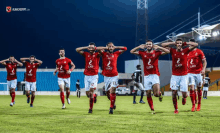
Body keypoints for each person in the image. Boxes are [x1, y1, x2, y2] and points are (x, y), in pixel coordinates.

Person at [131, 40, 169, 114]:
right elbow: (131, 51)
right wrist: (139, 47)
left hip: (155, 75)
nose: (148, 45)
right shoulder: (143, 53)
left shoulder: (156, 53)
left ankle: (160, 94)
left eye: (150, 44)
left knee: (156, 94)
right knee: (148, 93)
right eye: (147, 44)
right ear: (145, 46)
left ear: (152, 45)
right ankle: (152, 109)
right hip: (147, 76)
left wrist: (159, 47)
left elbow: (167, 51)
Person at [161, 38, 198, 114]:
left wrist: (185, 43)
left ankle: (184, 98)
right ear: (176, 44)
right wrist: (173, 43)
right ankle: (176, 109)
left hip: (184, 76)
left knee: (184, 94)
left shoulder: (186, 50)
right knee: (174, 92)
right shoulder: (172, 50)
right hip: (175, 76)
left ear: (182, 44)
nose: (179, 44)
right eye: (177, 43)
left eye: (180, 43)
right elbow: (162, 45)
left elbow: (196, 44)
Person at [97, 42, 127, 114]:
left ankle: (111, 108)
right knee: (107, 93)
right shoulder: (104, 53)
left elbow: (125, 48)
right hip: (106, 76)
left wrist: (115, 47)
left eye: (112, 46)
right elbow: (97, 48)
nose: (111, 48)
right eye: (109, 46)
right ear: (107, 47)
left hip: (114, 75)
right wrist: (106, 48)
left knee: (112, 91)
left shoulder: (116, 53)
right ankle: (113, 103)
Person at [76, 42, 100, 113]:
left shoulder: (97, 54)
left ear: (95, 48)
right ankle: (95, 96)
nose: (91, 48)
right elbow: (77, 50)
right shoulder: (86, 54)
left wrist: (95, 48)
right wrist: (86, 47)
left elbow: (103, 49)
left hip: (94, 76)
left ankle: (90, 108)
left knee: (91, 91)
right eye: (90, 47)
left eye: (93, 47)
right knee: (88, 94)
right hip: (87, 76)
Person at [187, 39, 207, 111]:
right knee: (192, 88)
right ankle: (193, 105)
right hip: (190, 73)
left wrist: (203, 69)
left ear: (194, 44)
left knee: (199, 88)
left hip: (198, 73)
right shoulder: (187, 52)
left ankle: (199, 104)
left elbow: (204, 61)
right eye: (189, 43)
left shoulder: (199, 51)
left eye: (192, 43)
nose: (190, 45)